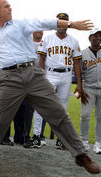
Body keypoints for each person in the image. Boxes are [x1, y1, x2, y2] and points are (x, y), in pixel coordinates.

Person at [0, 0, 100, 174]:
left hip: (33, 74)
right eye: (6, 7)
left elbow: (45, 22)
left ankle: (80, 154)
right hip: (9, 79)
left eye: (10, 6)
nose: (10, 8)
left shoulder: (21, 24)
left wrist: (71, 24)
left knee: (58, 112)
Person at [27, 13, 88, 150]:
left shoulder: (73, 41)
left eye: (65, 21)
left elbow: (77, 63)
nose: (63, 24)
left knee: (62, 108)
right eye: (60, 21)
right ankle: (36, 136)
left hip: (66, 75)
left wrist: (79, 84)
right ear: (56, 23)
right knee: (41, 104)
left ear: (68, 23)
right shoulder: (47, 39)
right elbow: (41, 60)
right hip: (50, 73)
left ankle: (61, 139)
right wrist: (43, 77)